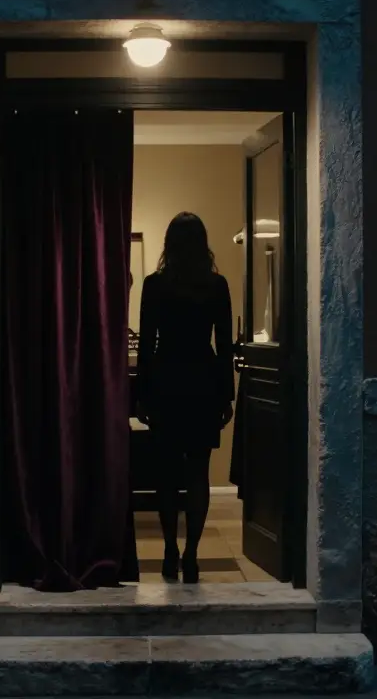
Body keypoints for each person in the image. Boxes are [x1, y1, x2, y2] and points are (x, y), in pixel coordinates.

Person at [136, 212, 235, 584]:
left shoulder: (154, 285)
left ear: (169, 245)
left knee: (166, 474)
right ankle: (191, 554)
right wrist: (227, 396)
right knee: (198, 473)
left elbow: (147, 344)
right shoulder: (216, 286)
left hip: (166, 381)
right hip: (202, 382)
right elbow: (223, 345)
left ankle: (168, 550)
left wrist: (142, 394)